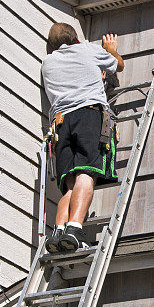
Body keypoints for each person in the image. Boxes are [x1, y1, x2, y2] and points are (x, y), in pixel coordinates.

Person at [41, 23, 124, 253]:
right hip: (88, 116)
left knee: (70, 184)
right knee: (86, 174)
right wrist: (110, 49)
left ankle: (58, 230)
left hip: (61, 124)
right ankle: (75, 229)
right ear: (76, 38)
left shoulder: (48, 63)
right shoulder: (87, 50)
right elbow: (119, 65)